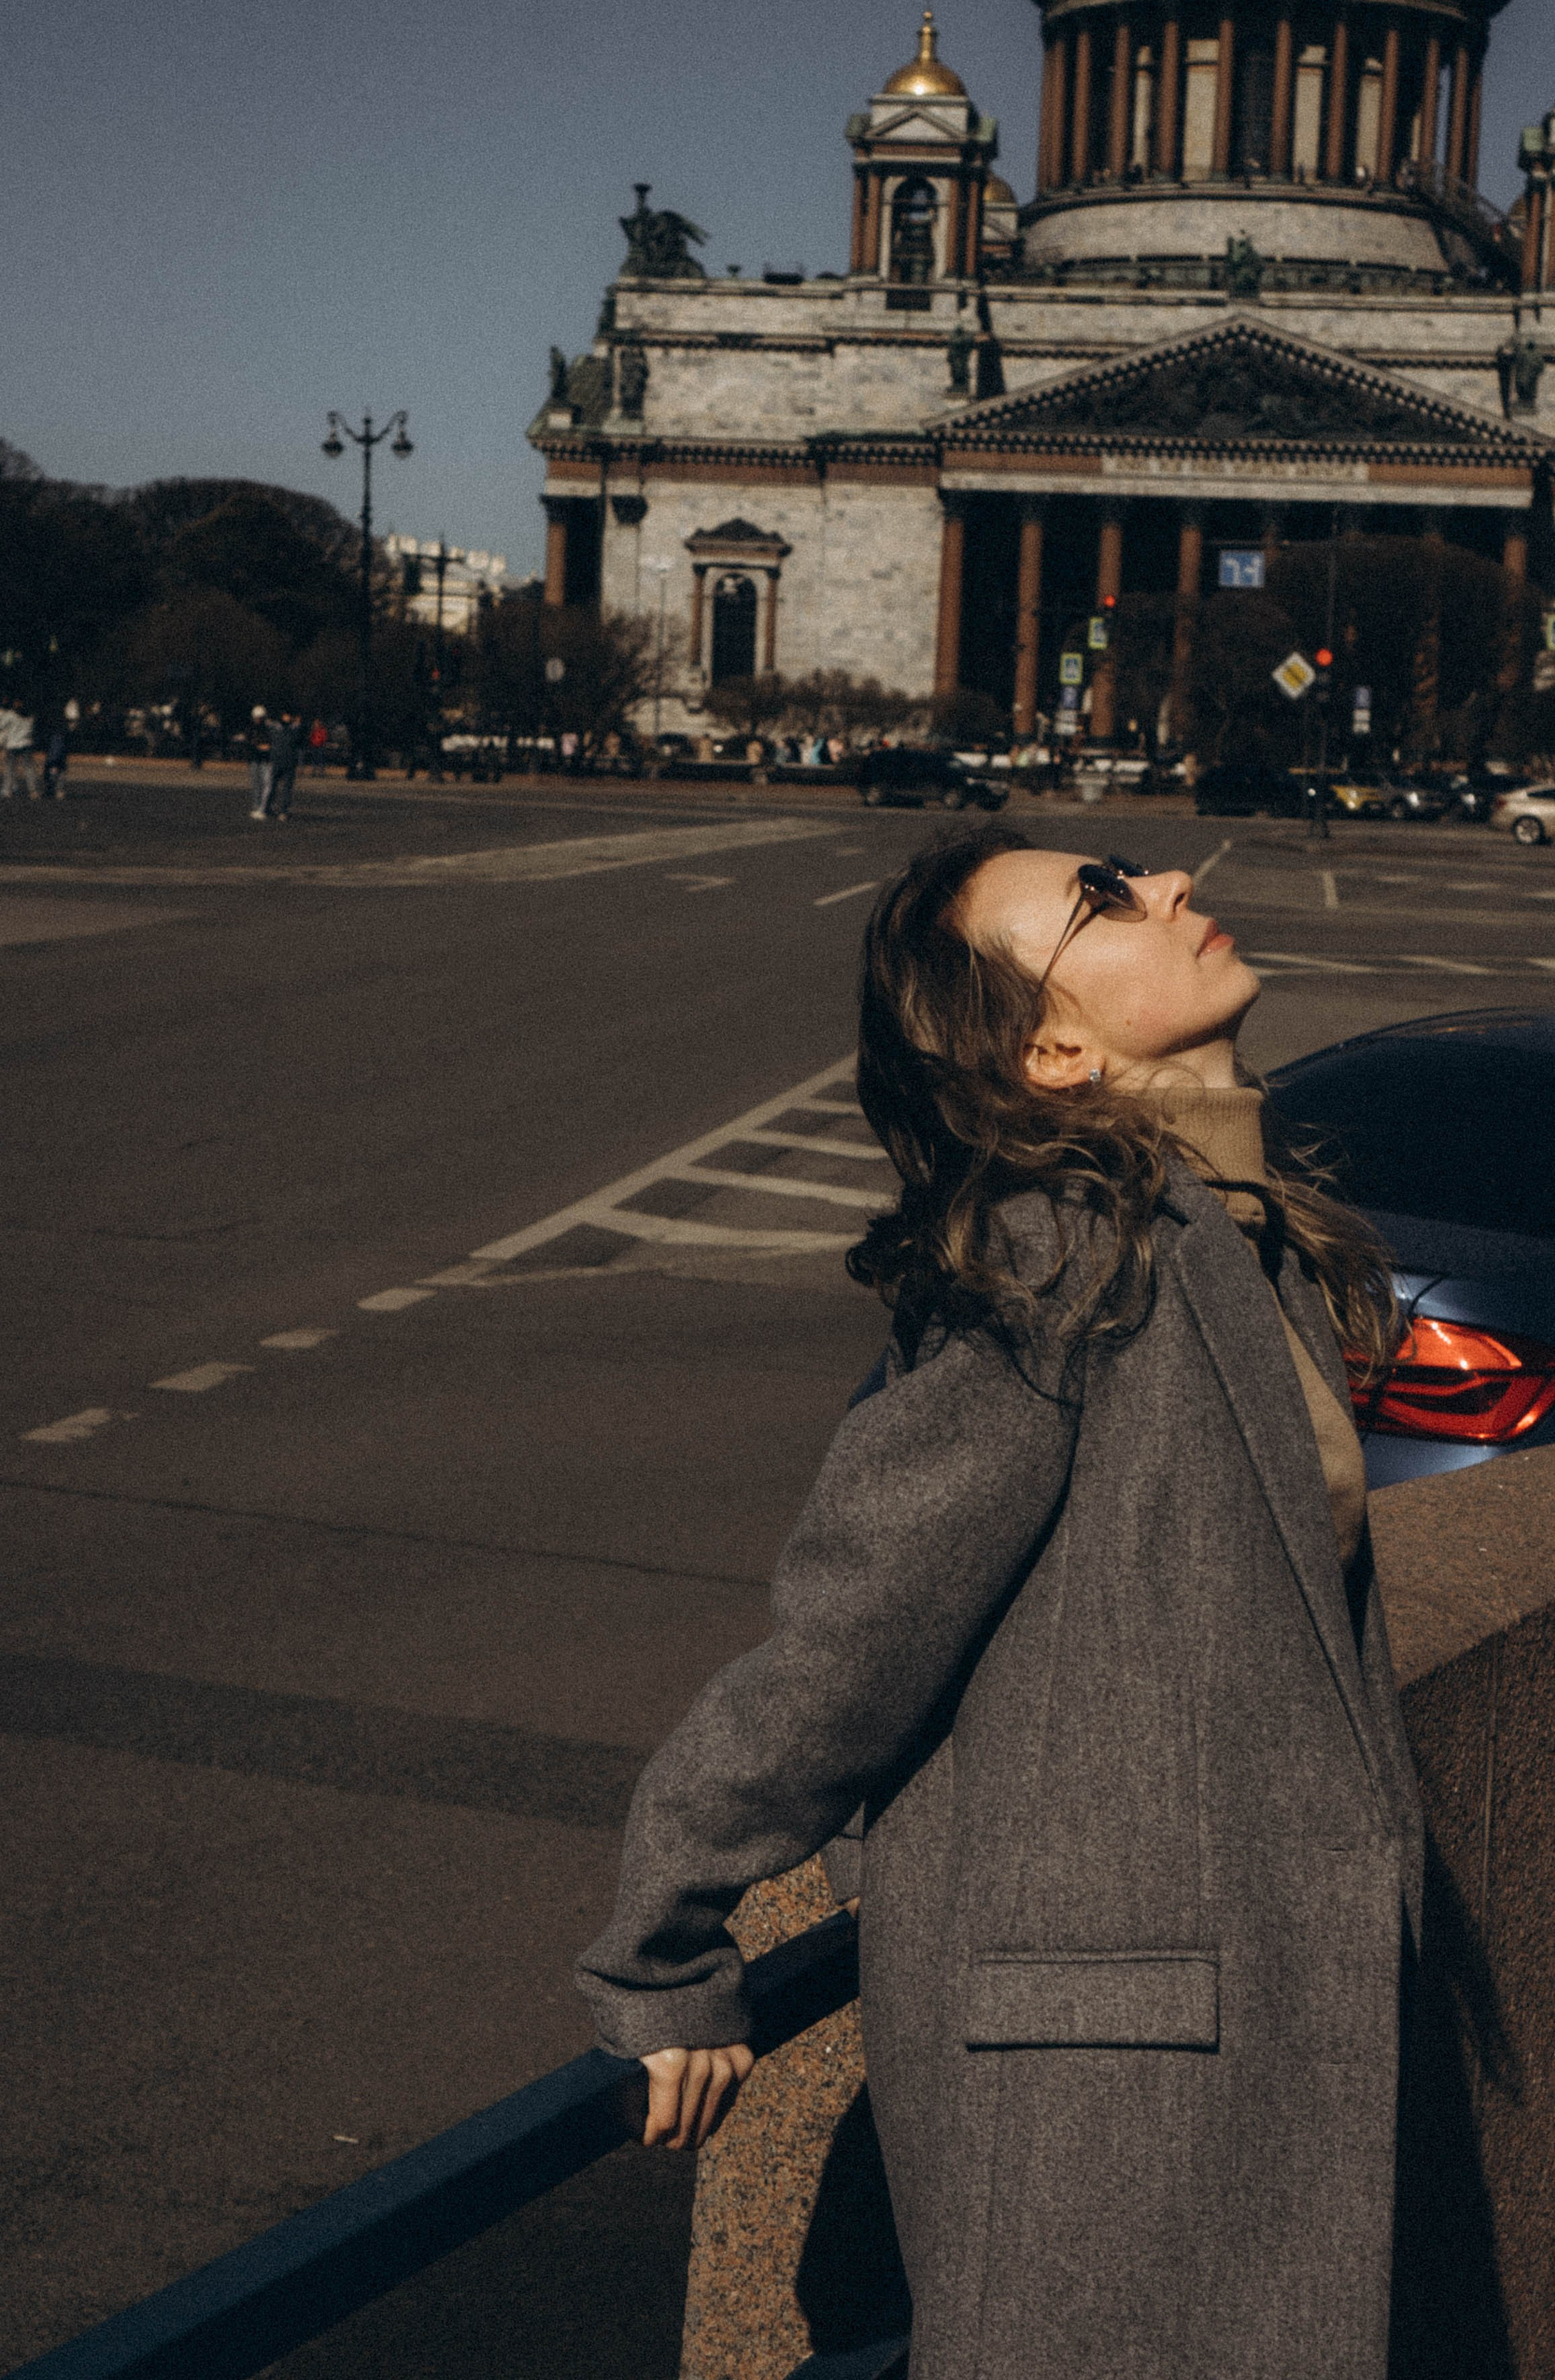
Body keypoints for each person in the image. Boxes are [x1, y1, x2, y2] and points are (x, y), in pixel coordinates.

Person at [580, 827, 1422, 2380]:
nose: (1166, 884)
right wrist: (663, 1944)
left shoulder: (1229, 1237)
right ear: (1046, 1043)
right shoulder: (1054, 1255)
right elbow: (846, 1643)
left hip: (1249, 2019)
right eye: (1100, 897)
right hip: (1111, 2072)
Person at [264, 711, 300, 820]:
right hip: (278, 761)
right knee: (273, 786)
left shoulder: (292, 729)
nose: (287, 718)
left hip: (289, 762)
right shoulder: (278, 728)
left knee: (287, 788)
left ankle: (283, 810)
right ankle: (268, 808)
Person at [0, 702, 34, 799]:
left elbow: (1, 725)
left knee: (10, 768)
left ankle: (8, 790)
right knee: (29, 768)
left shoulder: (11, 715)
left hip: (13, 744)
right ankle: (33, 791)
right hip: (26, 743)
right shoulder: (29, 716)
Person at [247, 707, 273, 817]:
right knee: (256, 784)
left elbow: (268, 745)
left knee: (266, 784)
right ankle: (257, 806)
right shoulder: (251, 729)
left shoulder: (267, 729)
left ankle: (263, 807)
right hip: (254, 759)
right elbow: (250, 743)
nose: (257, 720)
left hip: (264, 760)